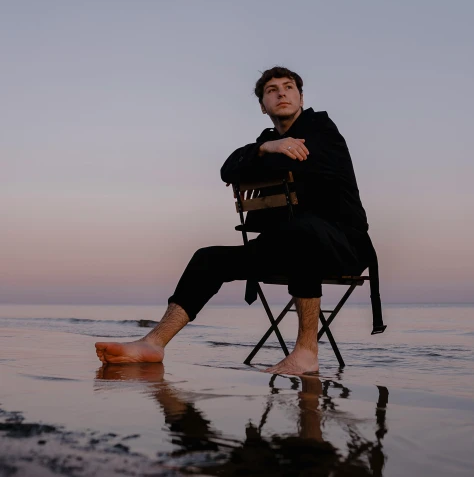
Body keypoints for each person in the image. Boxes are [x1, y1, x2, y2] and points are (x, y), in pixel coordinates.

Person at [95, 66, 384, 374]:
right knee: (207, 259)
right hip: (284, 246)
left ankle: (306, 352)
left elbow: (289, 164)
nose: (281, 93)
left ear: (300, 97)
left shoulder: (323, 130)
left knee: (302, 230)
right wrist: (265, 146)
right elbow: (227, 170)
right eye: (272, 90)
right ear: (263, 105)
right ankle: (153, 343)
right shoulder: (267, 141)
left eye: (288, 87)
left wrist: (261, 158)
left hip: (344, 246)